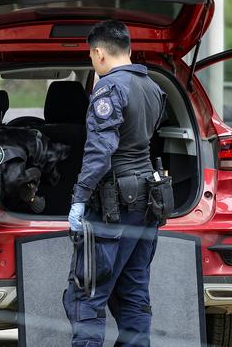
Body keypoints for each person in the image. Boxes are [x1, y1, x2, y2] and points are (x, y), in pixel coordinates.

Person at [64, 20, 166, 347]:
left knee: (86, 297)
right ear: (129, 50)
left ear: (99, 53)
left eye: (92, 57)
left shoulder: (108, 89)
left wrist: (79, 198)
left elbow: (101, 151)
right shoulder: (153, 86)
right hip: (148, 202)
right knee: (134, 293)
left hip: (114, 208)